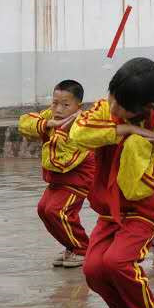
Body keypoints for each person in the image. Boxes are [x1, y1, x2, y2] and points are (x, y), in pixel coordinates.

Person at [71, 57, 154, 308]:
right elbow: (78, 133)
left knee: (118, 262)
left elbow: (134, 188)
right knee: (93, 269)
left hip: (143, 208)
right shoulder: (110, 109)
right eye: (112, 99)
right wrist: (123, 130)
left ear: (146, 109)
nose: (113, 109)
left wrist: (132, 144)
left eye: (122, 107)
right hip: (109, 209)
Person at [18, 79, 93, 268]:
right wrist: (46, 124)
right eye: (55, 103)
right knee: (43, 209)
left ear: (78, 106)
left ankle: (83, 249)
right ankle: (71, 246)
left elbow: (61, 160)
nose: (58, 109)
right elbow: (25, 122)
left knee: (58, 211)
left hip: (78, 177)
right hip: (57, 179)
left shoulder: (82, 124)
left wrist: (54, 131)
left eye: (65, 105)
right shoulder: (52, 116)